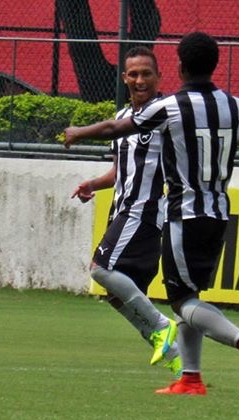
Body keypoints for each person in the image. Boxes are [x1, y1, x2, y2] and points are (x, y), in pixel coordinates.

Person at [65, 32, 239, 395]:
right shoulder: (237, 106)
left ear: (179, 68)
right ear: (215, 64)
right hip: (218, 214)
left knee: (182, 301)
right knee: (188, 294)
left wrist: (78, 131)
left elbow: (113, 128)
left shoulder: (169, 107)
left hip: (183, 214)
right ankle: (190, 377)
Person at [71, 46, 181, 378]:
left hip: (144, 211)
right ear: (124, 78)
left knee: (100, 270)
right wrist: (92, 183)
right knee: (119, 296)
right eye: (133, 74)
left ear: (159, 77)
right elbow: (119, 172)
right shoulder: (121, 119)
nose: (139, 79)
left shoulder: (165, 114)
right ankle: (174, 354)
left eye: (146, 73)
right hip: (123, 209)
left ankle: (163, 326)